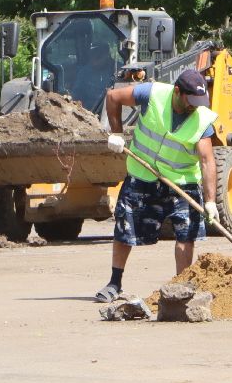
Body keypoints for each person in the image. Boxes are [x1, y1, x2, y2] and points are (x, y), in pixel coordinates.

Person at [94, 67, 220, 302]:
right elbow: (113, 97)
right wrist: (117, 133)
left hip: (182, 182)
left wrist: (211, 201)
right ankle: (114, 283)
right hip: (143, 175)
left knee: (186, 234)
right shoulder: (152, 93)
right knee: (125, 229)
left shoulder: (203, 118)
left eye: (198, 101)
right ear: (177, 91)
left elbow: (207, 160)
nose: (195, 106)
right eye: (190, 100)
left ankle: (182, 287)